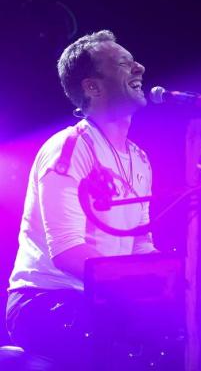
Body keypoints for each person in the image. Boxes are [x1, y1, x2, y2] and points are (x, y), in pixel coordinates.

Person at [5, 30, 156, 369]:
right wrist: (134, 291)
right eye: (124, 64)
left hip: (103, 299)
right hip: (43, 303)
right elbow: (67, 252)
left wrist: (174, 282)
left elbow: (141, 248)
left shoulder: (141, 160)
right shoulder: (70, 148)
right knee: (118, 348)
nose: (139, 68)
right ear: (92, 86)